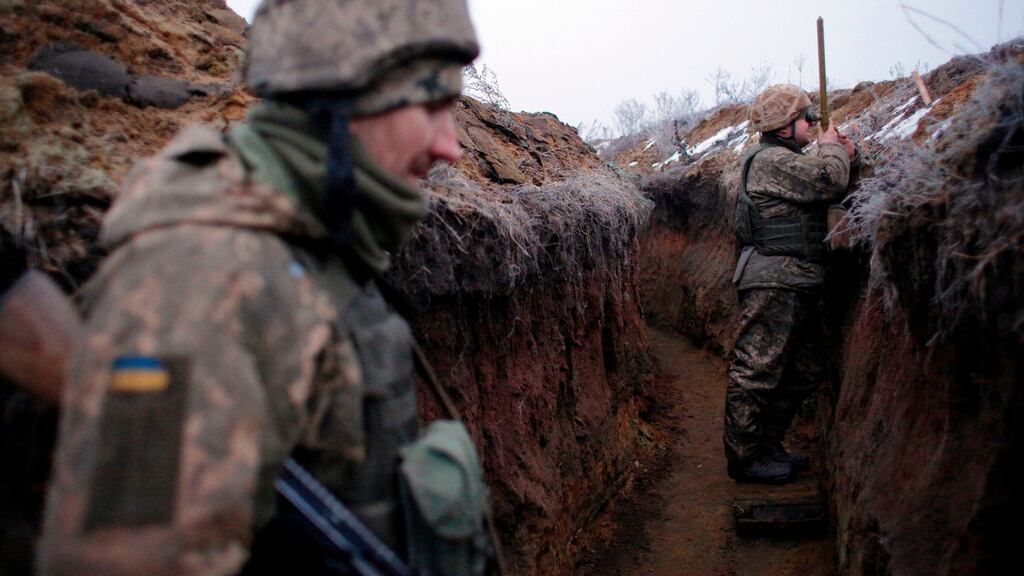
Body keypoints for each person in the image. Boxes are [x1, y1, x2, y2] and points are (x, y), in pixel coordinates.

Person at [38, 1, 496, 574]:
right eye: (430, 106)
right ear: (343, 102)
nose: (451, 146)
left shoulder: (313, 244)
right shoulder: (201, 280)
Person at [724, 84, 856, 484]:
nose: (813, 122)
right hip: (774, 282)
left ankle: (768, 446)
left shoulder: (784, 159)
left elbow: (827, 176)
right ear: (784, 127)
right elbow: (827, 180)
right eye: (805, 118)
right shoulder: (769, 161)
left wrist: (847, 153)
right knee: (757, 370)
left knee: (805, 368)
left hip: (794, 281)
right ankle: (746, 459)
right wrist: (834, 150)